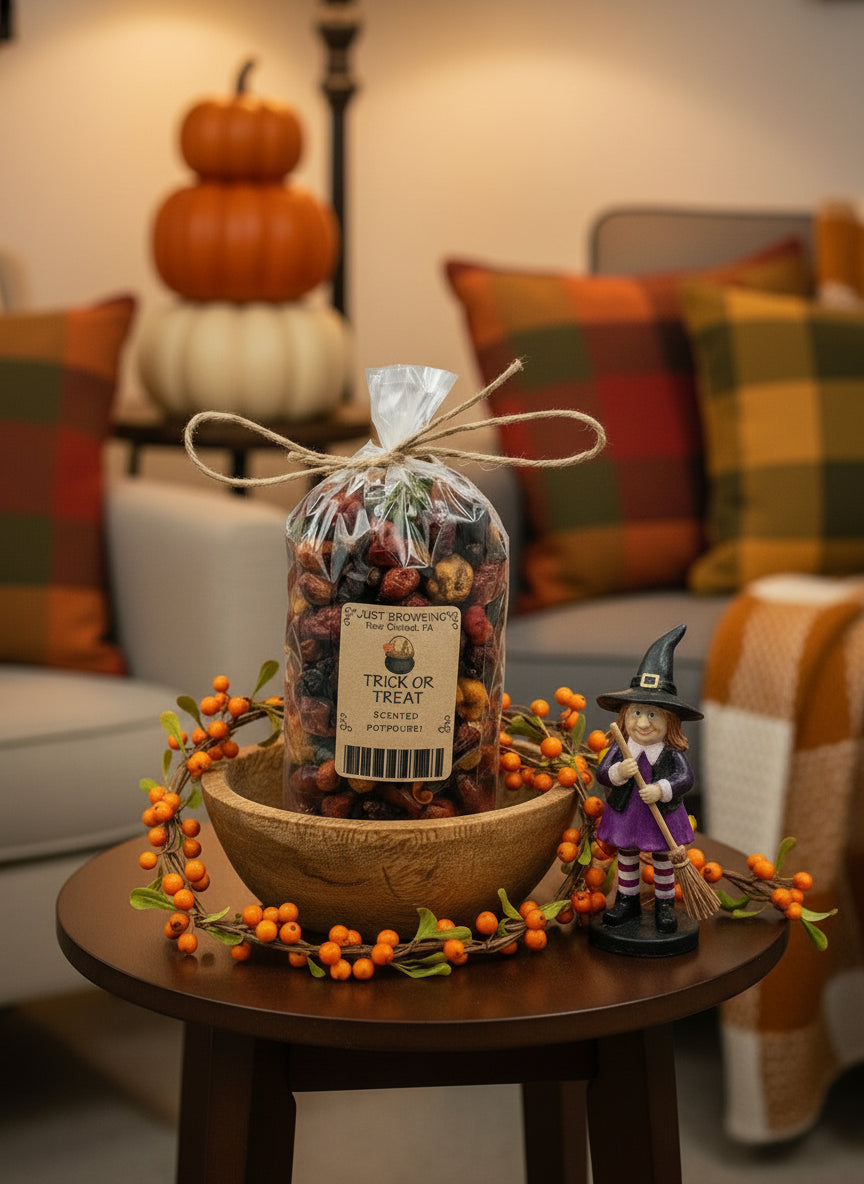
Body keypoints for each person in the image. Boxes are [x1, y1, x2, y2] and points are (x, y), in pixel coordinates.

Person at [594, 625, 703, 934]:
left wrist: (662, 789)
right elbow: (603, 772)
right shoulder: (621, 749)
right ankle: (626, 900)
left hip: (661, 815)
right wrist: (618, 773)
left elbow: (685, 778)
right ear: (624, 717)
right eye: (637, 713)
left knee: (663, 858)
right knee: (627, 855)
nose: (642, 723)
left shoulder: (671, 752)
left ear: (669, 720)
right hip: (628, 813)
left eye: (652, 715)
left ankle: (664, 904)